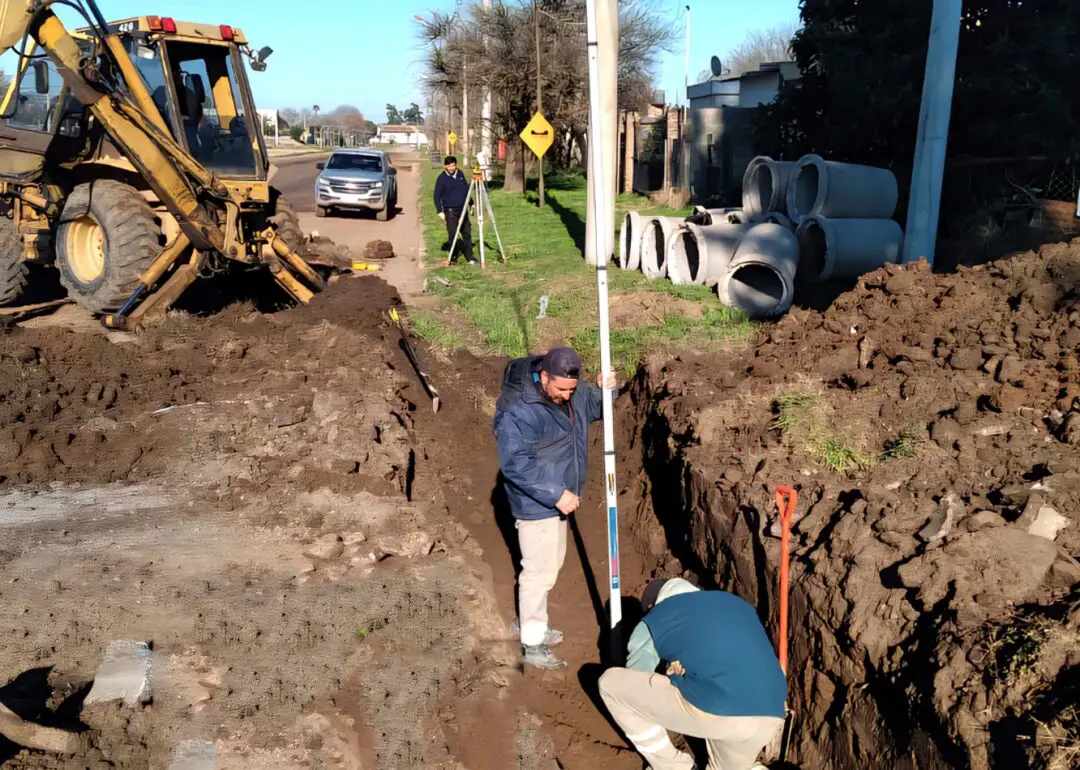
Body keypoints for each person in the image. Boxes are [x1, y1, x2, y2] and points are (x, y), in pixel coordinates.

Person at [493, 347, 616, 669]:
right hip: (538, 503)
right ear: (544, 376)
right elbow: (515, 464)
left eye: (571, 389)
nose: (566, 395)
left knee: (550, 567)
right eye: (561, 389)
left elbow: (595, 407)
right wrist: (555, 493)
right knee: (538, 573)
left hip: (559, 497)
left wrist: (607, 390)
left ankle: (531, 623)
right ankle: (532, 643)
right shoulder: (520, 410)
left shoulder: (570, 392)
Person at [598, 578, 786, 770]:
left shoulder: (656, 618)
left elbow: (636, 683)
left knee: (611, 684)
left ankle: (673, 766)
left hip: (719, 709)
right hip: (772, 714)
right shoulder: (738, 605)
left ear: (651, 606)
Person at [433, 156, 475, 266]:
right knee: (453, 234)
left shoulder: (460, 174)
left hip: (462, 209)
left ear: (456, 165)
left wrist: (471, 203)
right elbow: (437, 196)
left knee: (467, 233)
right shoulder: (441, 179)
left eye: (453, 165)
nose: (451, 168)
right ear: (445, 166)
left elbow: (466, 190)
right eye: (449, 166)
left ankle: (470, 256)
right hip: (450, 211)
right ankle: (453, 257)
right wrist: (440, 211)